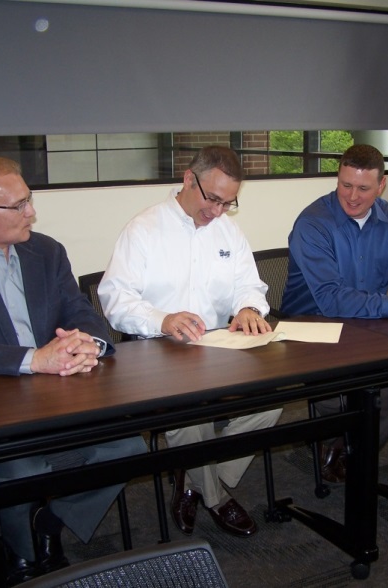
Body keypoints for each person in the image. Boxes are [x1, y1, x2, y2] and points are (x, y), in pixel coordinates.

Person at [0, 157, 148, 586]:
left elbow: (80, 311)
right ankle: (20, 550)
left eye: (29, 201)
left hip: (61, 391)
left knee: (127, 448)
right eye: (18, 206)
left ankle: (46, 524)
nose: (31, 213)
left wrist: (88, 343)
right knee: (21, 470)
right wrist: (33, 360)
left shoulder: (47, 251)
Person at [98, 145, 281, 539]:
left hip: (220, 348)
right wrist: (162, 319)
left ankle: (194, 479)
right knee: (191, 410)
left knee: (270, 403)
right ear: (187, 179)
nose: (217, 211)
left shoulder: (228, 230)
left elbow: (249, 285)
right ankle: (216, 498)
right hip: (158, 352)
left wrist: (249, 308)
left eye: (228, 203)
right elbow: (115, 300)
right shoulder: (144, 229)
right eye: (211, 198)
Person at [280, 144, 388, 484]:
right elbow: (330, 299)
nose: (352, 197)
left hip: (369, 328)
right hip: (312, 331)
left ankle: (346, 443)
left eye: (363, 188)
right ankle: (348, 435)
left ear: (381, 186)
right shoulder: (313, 224)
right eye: (345, 185)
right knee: (347, 388)